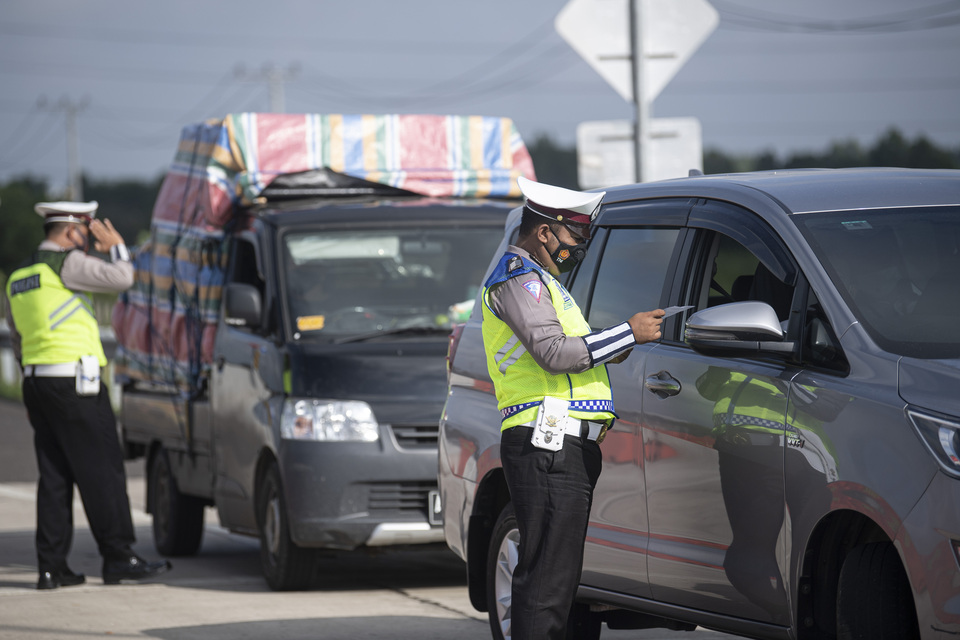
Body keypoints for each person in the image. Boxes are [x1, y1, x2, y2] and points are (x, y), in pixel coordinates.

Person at [481, 177, 663, 639]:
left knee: (554, 581)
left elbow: (569, 352)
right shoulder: (520, 278)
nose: (579, 248)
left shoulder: (542, 281)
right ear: (544, 231)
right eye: (575, 237)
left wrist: (611, 347)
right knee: (545, 583)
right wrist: (627, 333)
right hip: (547, 444)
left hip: (562, 445)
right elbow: (554, 352)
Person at [4, 201, 171, 590]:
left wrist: (32, 386)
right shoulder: (67, 264)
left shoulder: (19, 276)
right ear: (70, 231)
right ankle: (118, 557)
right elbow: (122, 278)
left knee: (55, 476)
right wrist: (116, 246)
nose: (87, 240)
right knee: (102, 471)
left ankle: (52, 567)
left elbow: (16, 337)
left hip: (37, 382)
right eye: (85, 231)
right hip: (76, 384)